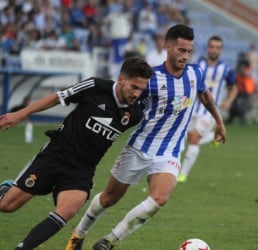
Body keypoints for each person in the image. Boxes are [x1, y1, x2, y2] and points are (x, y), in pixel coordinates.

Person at [66, 24, 226, 250]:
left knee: (159, 199)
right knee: (109, 198)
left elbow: (204, 94)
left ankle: (109, 241)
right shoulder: (150, 78)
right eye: (181, 51)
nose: (186, 56)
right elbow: (124, 100)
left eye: (189, 51)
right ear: (168, 48)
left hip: (169, 152)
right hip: (139, 147)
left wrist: (219, 122)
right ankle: (77, 235)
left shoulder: (195, 73)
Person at [0, 57, 153, 250]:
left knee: (68, 210)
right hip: (56, 155)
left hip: (82, 169)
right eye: (134, 87)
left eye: (141, 90)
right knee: (7, 206)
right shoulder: (95, 86)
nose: (137, 94)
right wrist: (21, 113)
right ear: (121, 78)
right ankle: (6, 190)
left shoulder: (134, 114)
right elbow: (57, 97)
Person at [178, 35, 237, 183]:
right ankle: (213, 137)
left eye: (217, 47)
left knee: (195, 139)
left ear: (221, 50)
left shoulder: (226, 69)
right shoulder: (197, 64)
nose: (214, 50)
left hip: (209, 112)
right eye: (212, 47)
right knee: (189, 138)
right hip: (192, 108)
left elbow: (234, 87)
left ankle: (182, 175)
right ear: (207, 48)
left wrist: (229, 101)